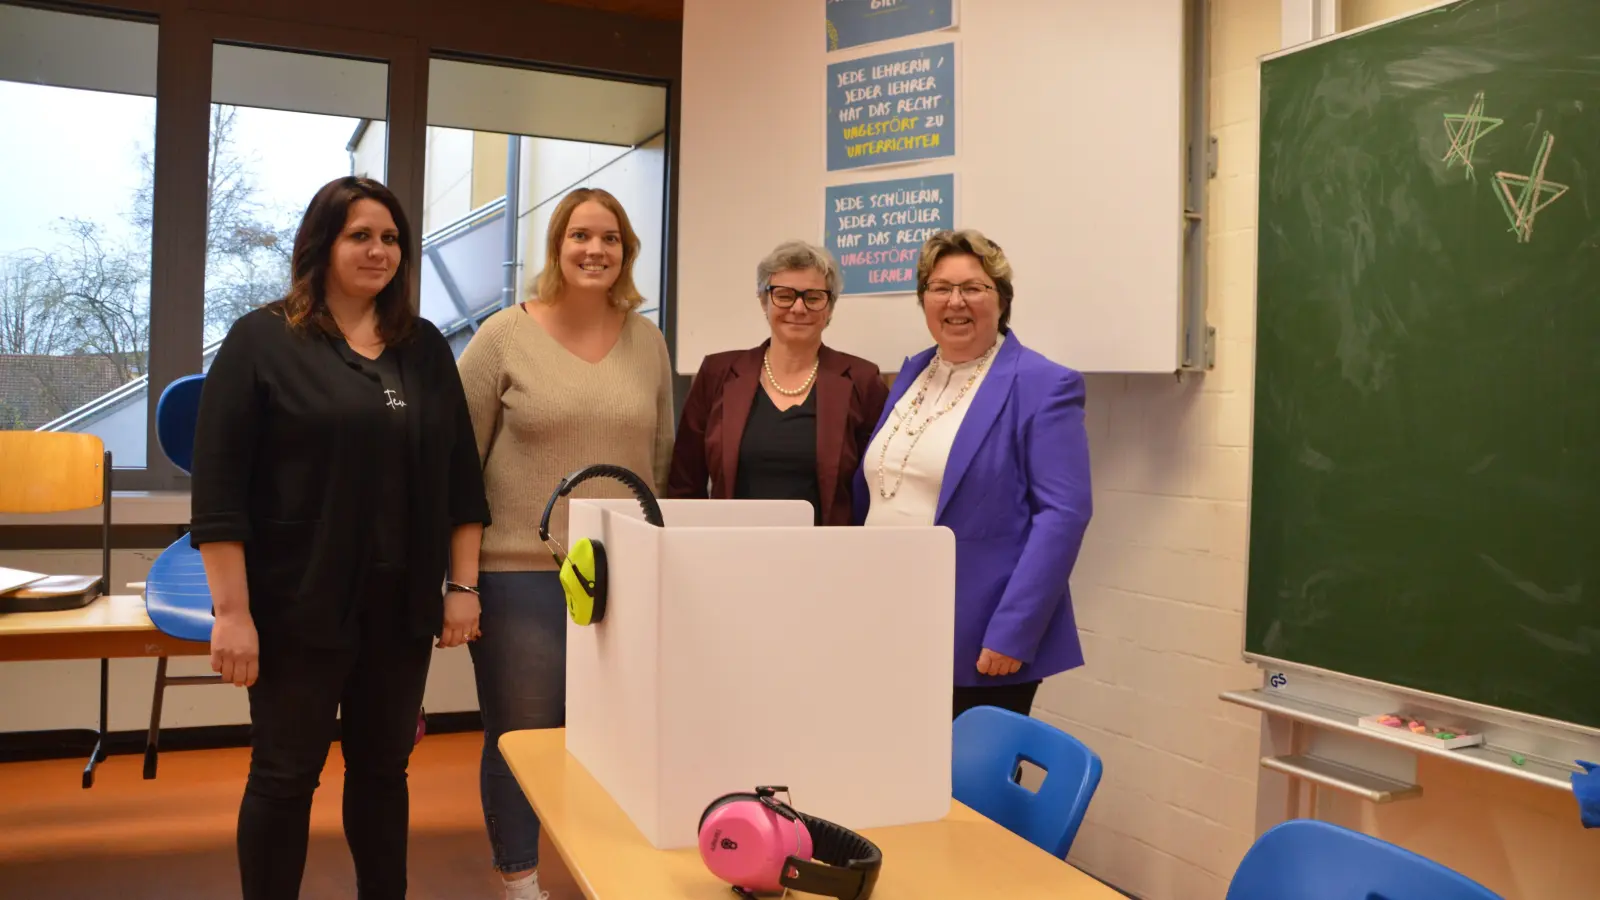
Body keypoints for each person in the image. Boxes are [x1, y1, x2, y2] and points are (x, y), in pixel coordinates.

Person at [189, 175, 491, 900]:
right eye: (360, 235)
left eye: (390, 238)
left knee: (384, 771)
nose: (378, 250)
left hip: (399, 608)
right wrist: (232, 614)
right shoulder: (262, 340)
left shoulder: (422, 350)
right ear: (321, 244)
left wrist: (463, 586)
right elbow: (219, 494)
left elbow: (459, 480)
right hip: (297, 605)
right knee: (285, 776)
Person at [455, 187, 675, 900]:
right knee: (526, 735)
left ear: (626, 252)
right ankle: (521, 878)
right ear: (556, 246)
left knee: (620, 735)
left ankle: (604, 867)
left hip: (625, 572)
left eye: (610, 238)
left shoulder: (648, 339)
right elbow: (458, 463)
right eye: (580, 236)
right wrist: (458, 581)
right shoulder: (503, 336)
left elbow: (661, 455)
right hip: (522, 570)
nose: (595, 250)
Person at [853, 228, 1093, 720]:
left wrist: (1013, 632)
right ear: (924, 299)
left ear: (1001, 300)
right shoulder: (913, 373)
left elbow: (1063, 516)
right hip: (888, 620)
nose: (955, 301)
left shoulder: (1043, 384)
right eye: (940, 288)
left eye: (973, 288)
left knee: (966, 794)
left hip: (979, 640)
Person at [667, 240, 889, 525]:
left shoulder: (862, 380)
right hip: (730, 553)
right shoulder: (717, 374)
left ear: (829, 307)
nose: (798, 308)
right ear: (763, 301)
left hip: (828, 558)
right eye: (784, 295)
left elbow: (877, 488)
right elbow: (684, 484)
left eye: (813, 297)